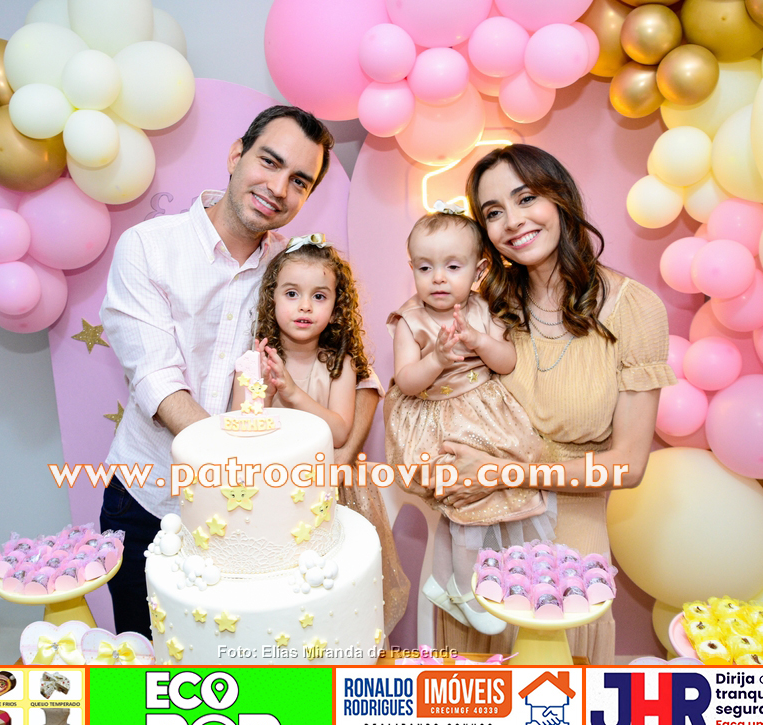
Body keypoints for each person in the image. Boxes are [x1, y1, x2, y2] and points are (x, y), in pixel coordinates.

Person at [99, 106, 381, 637]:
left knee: (249, 656)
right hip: (150, 496)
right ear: (236, 155)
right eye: (269, 162)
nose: (278, 188)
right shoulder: (148, 247)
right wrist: (234, 470)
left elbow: (361, 379)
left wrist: (337, 459)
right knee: (146, 660)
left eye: (299, 181)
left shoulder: (294, 271)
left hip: (258, 517)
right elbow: (158, 382)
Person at [435, 144, 676, 664]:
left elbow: (629, 465)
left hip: (568, 550)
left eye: (526, 198)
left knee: (557, 695)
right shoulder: (485, 306)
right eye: (493, 212)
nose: (512, 222)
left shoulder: (634, 309)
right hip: (477, 530)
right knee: (474, 697)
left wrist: (506, 473)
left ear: (560, 197)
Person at [383, 207, 556, 634]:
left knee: (497, 488)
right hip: (436, 417)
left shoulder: (483, 310)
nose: (438, 278)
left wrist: (479, 340)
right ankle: (464, 587)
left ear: (478, 271)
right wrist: (437, 358)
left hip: (484, 411)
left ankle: (453, 580)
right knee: (464, 498)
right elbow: (407, 381)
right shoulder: (410, 320)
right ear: (412, 268)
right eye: (425, 268)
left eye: (452, 267)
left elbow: (506, 361)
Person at [235, 235, 411, 633]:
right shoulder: (253, 362)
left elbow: (340, 431)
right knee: (284, 599)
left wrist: (293, 393)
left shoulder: (338, 363)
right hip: (272, 493)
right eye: (292, 293)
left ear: (335, 308)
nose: (304, 306)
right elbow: (240, 431)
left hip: (331, 495)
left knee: (333, 597)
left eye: (319, 296)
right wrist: (262, 390)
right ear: (272, 299)